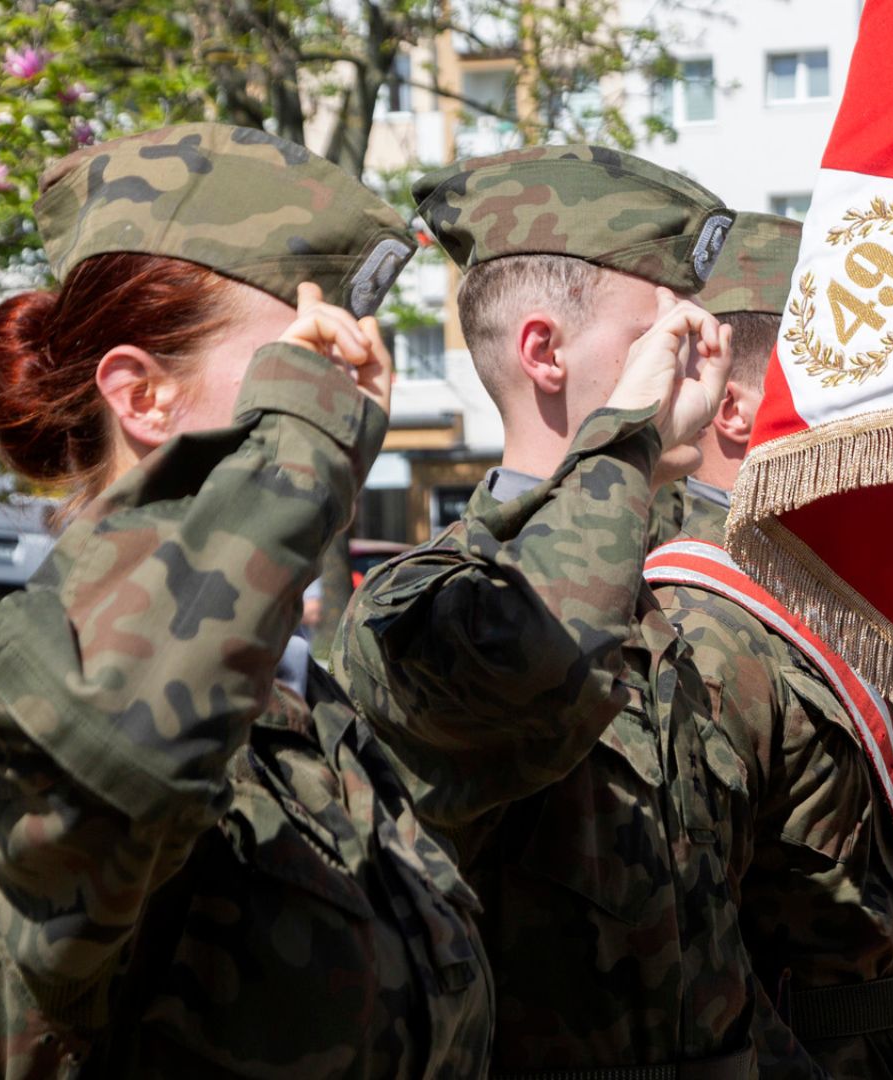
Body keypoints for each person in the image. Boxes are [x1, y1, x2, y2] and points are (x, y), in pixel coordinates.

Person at [0, 123, 492, 1075]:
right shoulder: (28, 696)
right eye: (299, 364)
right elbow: (121, 748)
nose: (344, 408)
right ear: (143, 397)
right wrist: (294, 446)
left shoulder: (306, 713)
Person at [333, 145, 781, 1076]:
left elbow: (717, 972)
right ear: (544, 351)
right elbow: (545, 656)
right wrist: (629, 438)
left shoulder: (662, 611)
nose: (702, 356)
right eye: (664, 335)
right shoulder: (424, 607)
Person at [644, 212, 893, 1076]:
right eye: (839, 378)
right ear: (734, 409)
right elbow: (695, 943)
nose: (876, 412)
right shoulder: (695, 615)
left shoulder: (822, 590)